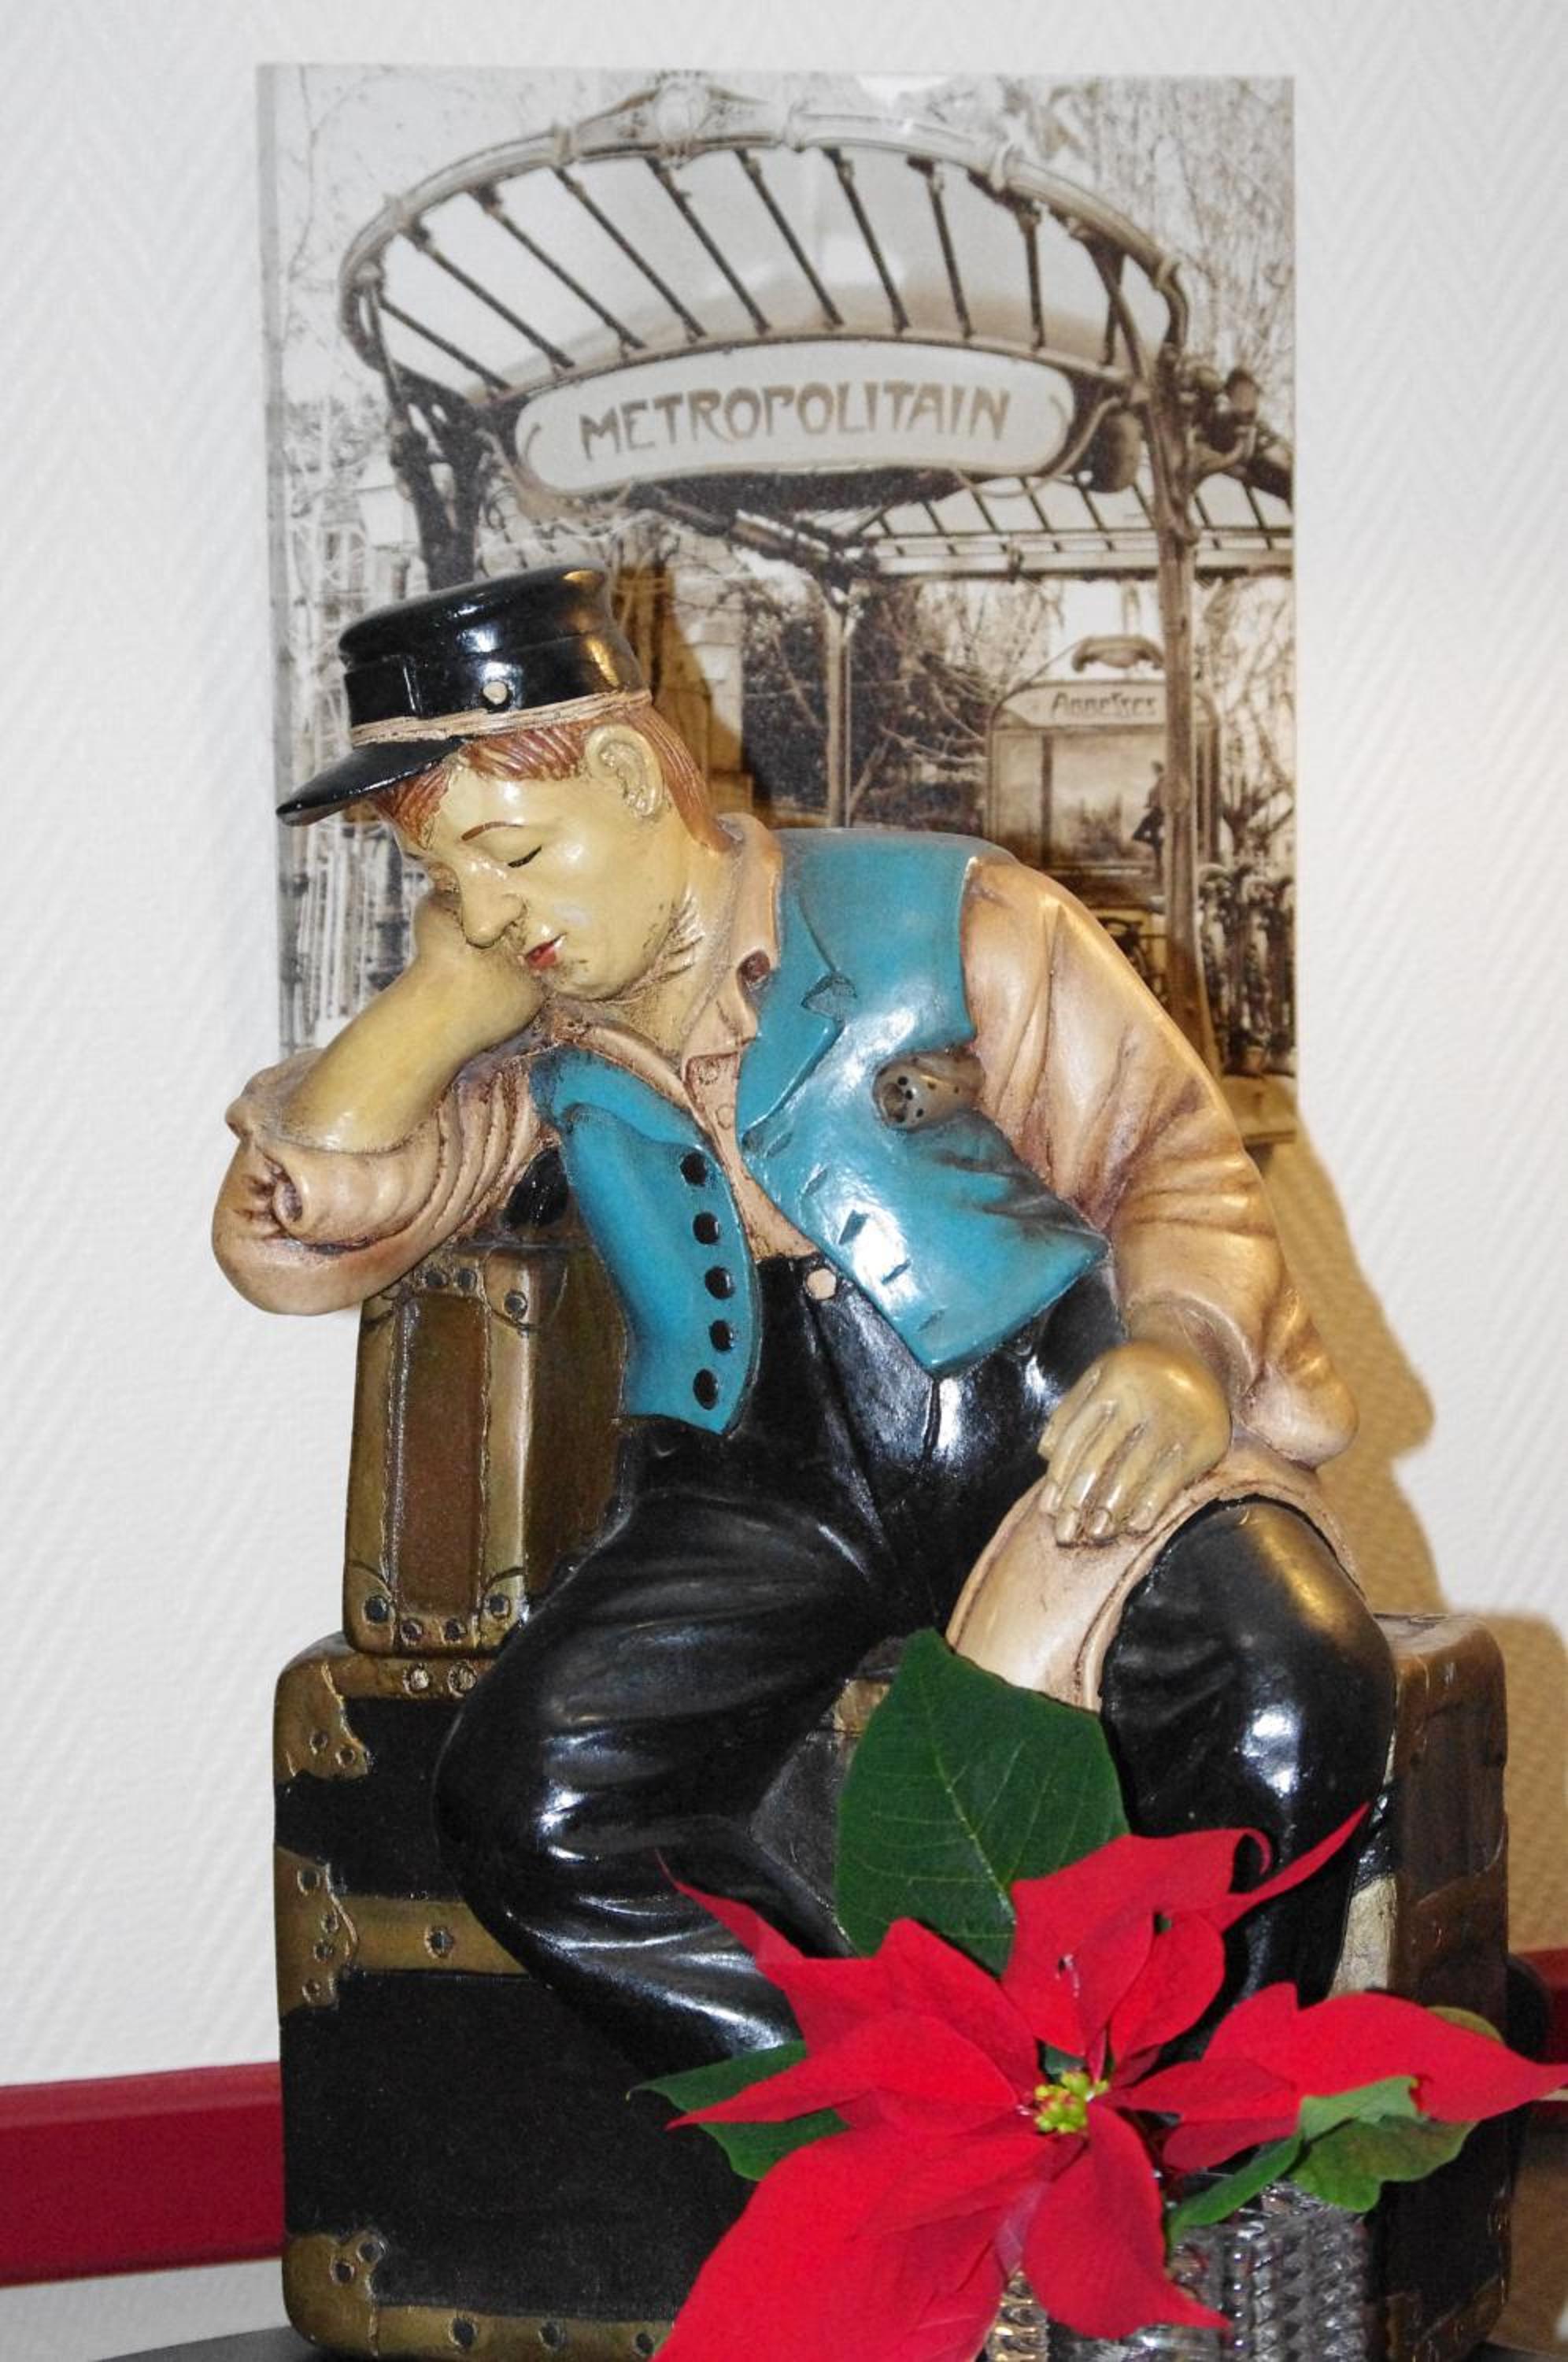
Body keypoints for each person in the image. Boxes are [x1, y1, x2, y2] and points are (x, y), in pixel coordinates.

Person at [216, 565, 1393, 2079]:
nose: (496, 919)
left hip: (1043, 1443)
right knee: (529, 1805)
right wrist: (430, 1008)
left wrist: (1182, 1351)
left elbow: (1174, 1159)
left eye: (515, 854)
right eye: (450, 883)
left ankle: (1210, 2137)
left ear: (629, 777)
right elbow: (290, 1247)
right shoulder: (532, 1031)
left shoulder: (953, 916)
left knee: (1290, 1681)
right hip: (748, 1491)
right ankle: (901, 2130)